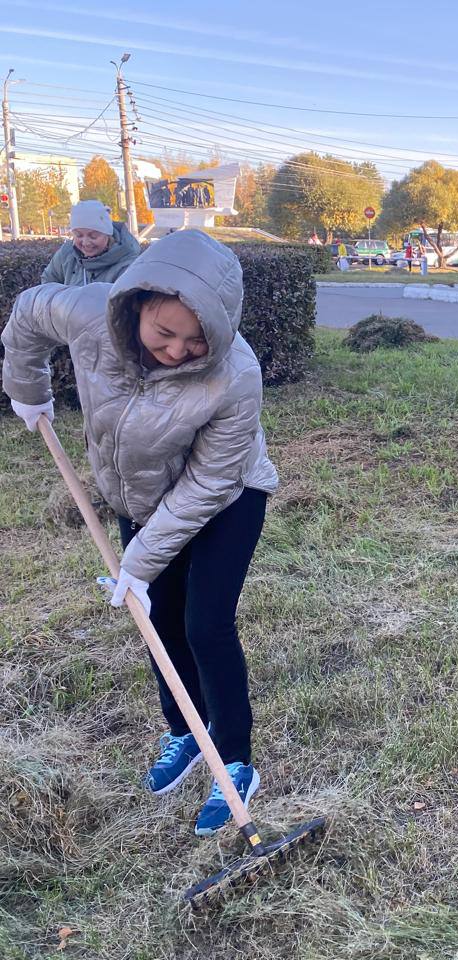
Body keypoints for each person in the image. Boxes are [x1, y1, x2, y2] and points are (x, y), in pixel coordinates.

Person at [3, 230, 278, 837]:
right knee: (156, 619)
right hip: (141, 492)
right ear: (135, 307)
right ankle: (185, 733)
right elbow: (27, 314)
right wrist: (27, 389)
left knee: (204, 622)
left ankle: (232, 759)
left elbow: (210, 482)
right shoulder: (88, 313)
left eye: (196, 339)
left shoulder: (235, 375)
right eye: (164, 334)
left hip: (227, 497)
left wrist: (143, 558)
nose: (179, 351)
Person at [41, 200, 141, 286]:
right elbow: (48, 283)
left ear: (107, 234)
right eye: (79, 235)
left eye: (93, 236)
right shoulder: (66, 254)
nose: (86, 243)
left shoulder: (127, 261)